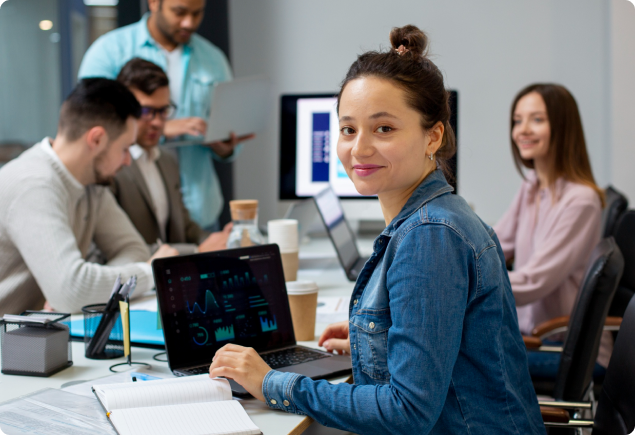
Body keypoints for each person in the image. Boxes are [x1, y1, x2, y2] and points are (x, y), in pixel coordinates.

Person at [207, 26, 545, 434]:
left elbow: (407, 413)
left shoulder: (430, 235)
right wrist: (377, 342)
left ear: (432, 136)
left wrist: (270, 382)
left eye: (384, 128)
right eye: (348, 129)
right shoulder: (437, 215)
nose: (359, 148)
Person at [0, 78, 178, 316]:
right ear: (96, 139)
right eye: (125, 148)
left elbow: (133, 250)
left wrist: (90, 289)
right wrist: (149, 272)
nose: (128, 161)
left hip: (35, 336)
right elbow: (72, 291)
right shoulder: (33, 184)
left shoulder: (91, 183)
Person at [78, 0, 254, 231]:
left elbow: (227, 130)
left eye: (197, 13)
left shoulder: (213, 59)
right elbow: (90, 124)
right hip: (133, 211)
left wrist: (225, 146)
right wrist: (161, 128)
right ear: (154, 3)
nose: (188, 22)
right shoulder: (110, 51)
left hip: (200, 208)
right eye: (179, 12)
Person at [494, 84, 608, 374]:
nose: (523, 130)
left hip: (564, 346)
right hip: (534, 333)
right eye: (517, 121)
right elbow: (494, 244)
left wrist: (468, 286)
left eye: (537, 119)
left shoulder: (581, 201)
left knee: (465, 366)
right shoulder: (533, 185)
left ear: (563, 126)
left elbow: (535, 282)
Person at [112, 58, 231, 255]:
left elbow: (184, 226)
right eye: (146, 111)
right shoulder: (112, 167)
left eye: (163, 111)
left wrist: (217, 240)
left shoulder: (166, 159)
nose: (158, 122)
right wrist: (196, 250)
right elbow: (116, 250)